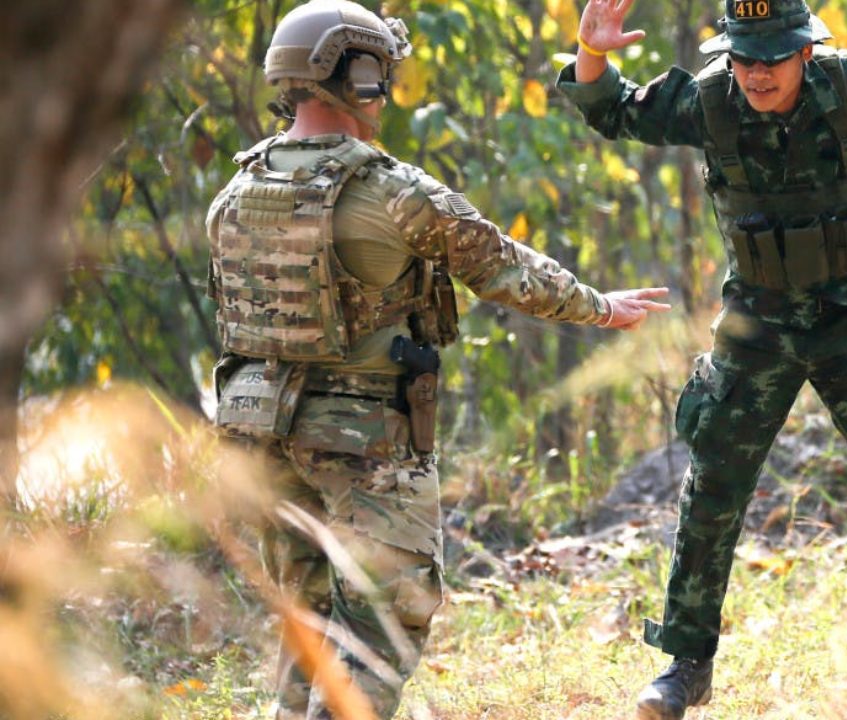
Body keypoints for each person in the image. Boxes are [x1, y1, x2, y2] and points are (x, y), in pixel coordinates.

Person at [205, 2, 670, 718]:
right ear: (357, 76)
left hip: (256, 440)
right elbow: (501, 266)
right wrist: (601, 306)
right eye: (382, 73)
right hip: (364, 441)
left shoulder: (234, 192)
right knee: (387, 622)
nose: (386, 90)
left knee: (307, 625)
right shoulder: (393, 193)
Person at [557, 0, 847, 715]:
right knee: (713, 493)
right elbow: (612, 111)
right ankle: (685, 666)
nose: (757, 73)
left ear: (805, 52)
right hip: (756, 327)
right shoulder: (708, 101)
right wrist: (591, 50)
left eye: (772, 57)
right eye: (745, 57)